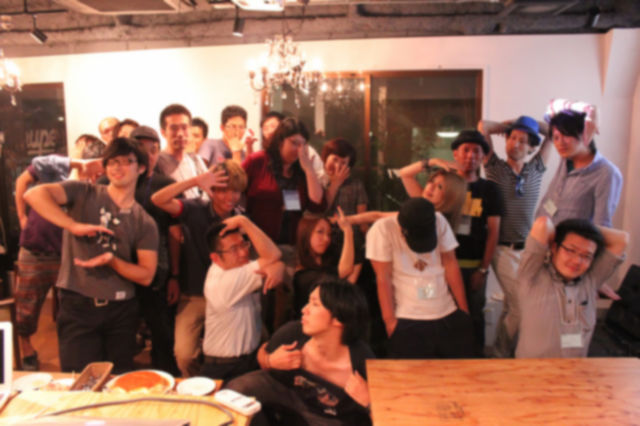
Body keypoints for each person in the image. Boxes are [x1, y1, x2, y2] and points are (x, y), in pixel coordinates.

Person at [24, 138, 158, 373]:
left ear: (141, 168)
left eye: (126, 161)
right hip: (77, 304)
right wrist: (72, 225)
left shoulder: (144, 221)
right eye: (112, 162)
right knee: (78, 380)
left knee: (118, 381)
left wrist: (112, 261)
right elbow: (34, 195)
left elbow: (146, 275)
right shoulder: (84, 192)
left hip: (121, 310)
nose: (117, 167)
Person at [226, 279, 374, 426]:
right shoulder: (293, 333)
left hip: (326, 418)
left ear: (338, 319)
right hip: (286, 398)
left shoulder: (362, 361)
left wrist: (369, 403)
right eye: (308, 302)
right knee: (237, 389)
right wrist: (270, 361)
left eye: (315, 304)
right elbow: (262, 353)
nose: (304, 309)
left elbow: (383, 417)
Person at [14, 144, 104, 370]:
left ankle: (73, 355)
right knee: (27, 307)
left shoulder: (96, 189)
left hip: (68, 256)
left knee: (72, 309)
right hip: (35, 250)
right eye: (93, 165)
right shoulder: (56, 170)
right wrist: (22, 216)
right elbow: (23, 180)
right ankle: (26, 348)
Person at [151, 160, 243, 377]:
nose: (230, 197)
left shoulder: (242, 219)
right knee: (184, 355)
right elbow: (158, 199)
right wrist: (195, 181)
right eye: (223, 191)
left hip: (229, 298)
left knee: (242, 348)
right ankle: (196, 384)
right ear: (211, 191)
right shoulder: (196, 209)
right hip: (195, 295)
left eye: (236, 191)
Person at [477, 115, 550, 357]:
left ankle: (504, 352)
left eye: (522, 141)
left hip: (528, 250)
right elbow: (484, 127)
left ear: (531, 147)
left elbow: (553, 133)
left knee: (512, 305)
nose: (515, 144)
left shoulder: (536, 168)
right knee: (521, 306)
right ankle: (501, 353)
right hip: (503, 249)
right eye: (512, 138)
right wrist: (511, 124)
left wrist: (529, 123)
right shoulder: (495, 167)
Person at [366, 197, 474, 358]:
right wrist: (390, 322)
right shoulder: (382, 229)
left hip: (447, 310)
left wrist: (464, 311)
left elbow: (450, 262)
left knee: (458, 369)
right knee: (411, 372)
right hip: (407, 315)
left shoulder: (438, 220)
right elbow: (383, 278)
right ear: (402, 229)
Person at [515, 216, 628, 358]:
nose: (577, 261)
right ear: (554, 247)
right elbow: (542, 225)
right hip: (532, 369)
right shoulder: (532, 276)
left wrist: (585, 227)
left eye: (586, 256)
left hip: (576, 368)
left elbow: (622, 240)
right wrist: (569, 228)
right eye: (570, 250)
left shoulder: (591, 280)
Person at [200, 216, 284, 381]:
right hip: (225, 367)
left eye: (244, 244)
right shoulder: (227, 280)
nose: (244, 252)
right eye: (233, 249)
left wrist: (278, 267)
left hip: (249, 359)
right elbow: (274, 254)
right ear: (215, 258)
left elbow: (274, 260)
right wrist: (244, 221)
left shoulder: (233, 266)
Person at [129, 125, 181, 375]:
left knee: (163, 335)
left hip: (158, 274)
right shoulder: (112, 182)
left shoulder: (166, 184)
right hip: (120, 273)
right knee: (124, 336)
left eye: (153, 149)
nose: (148, 155)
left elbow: (175, 233)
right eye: (141, 149)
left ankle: (165, 381)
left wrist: (175, 276)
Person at [447, 130, 503, 355]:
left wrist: (483, 269)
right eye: (466, 150)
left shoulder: (490, 189)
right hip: (446, 265)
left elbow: (494, 232)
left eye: (476, 151)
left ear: (482, 157)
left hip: (474, 268)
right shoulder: (446, 186)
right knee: (447, 314)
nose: (471, 155)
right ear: (455, 154)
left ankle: (475, 359)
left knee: (474, 315)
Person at [535, 99, 623, 227]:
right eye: (556, 137)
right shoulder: (566, 159)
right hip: (541, 234)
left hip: (569, 239)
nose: (560, 142)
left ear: (585, 133)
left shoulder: (607, 173)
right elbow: (552, 201)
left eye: (566, 134)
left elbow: (601, 225)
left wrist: (593, 117)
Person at [292, 209, 356, 316]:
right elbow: (345, 270)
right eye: (320, 232)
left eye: (329, 234)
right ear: (306, 233)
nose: (326, 239)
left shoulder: (329, 259)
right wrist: (348, 231)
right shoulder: (302, 275)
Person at [156, 104, 208, 200]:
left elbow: (208, 190)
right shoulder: (157, 162)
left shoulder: (195, 160)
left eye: (184, 128)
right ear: (163, 132)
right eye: (174, 128)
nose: (180, 134)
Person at [395, 160, 467, 229]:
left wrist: (433, 161)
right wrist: (433, 161)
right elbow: (404, 174)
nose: (431, 187)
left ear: (450, 197)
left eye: (439, 187)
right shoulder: (426, 204)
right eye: (432, 181)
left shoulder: (435, 220)